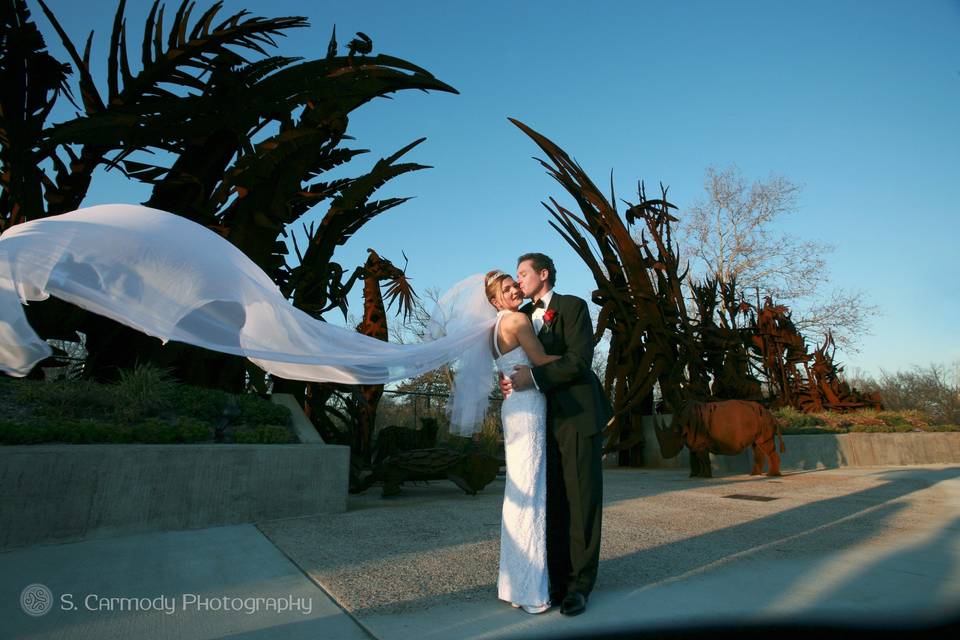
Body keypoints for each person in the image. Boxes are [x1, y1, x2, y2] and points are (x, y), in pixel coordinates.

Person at [500, 253, 610, 617]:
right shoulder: (522, 316)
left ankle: (580, 585)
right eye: (515, 276)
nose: (518, 281)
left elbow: (579, 361)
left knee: (582, 501)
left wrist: (532, 377)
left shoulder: (573, 307)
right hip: (540, 421)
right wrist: (510, 380)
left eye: (523, 274)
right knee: (554, 503)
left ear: (543, 274)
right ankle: (558, 580)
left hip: (577, 416)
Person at [484, 269, 558, 614]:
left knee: (517, 496)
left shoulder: (492, 331)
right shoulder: (517, 320)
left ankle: (513, 586)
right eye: (506, 289)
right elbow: (541, 361)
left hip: (512, 408)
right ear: (495, 300)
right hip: (528, 408)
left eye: (514, 285)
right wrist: (577, 361)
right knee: (532, 496)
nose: (514, 291)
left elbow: (507, 369)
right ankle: (531, 594)